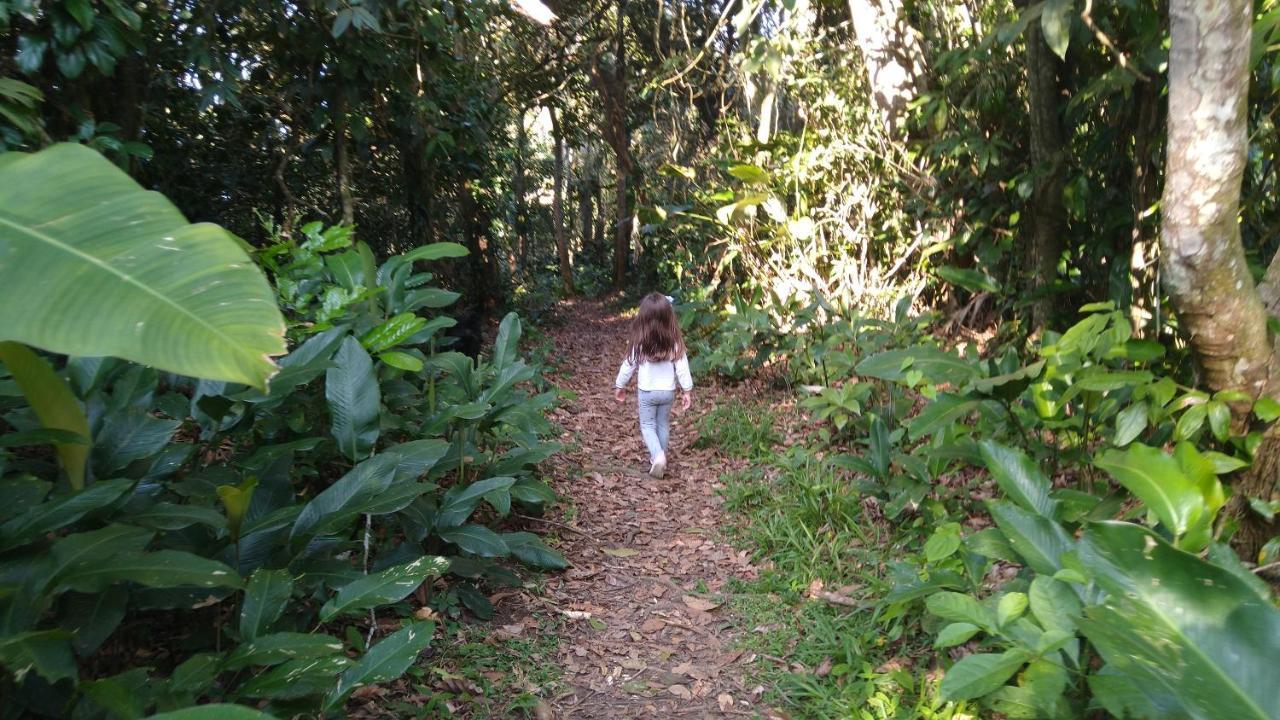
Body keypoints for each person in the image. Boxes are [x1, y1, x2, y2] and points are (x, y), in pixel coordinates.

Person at [613, 293, 694, 479]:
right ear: (669, 318)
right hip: (668, 391)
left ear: (643, 318)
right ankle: (661, 457)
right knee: (663, 424)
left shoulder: (639, 342)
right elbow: (682, 367)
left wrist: (620, 385)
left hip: (647, 391)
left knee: (648, 425)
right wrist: (687, 390)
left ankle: (658, 456)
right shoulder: (674, 341)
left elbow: (628, 365)